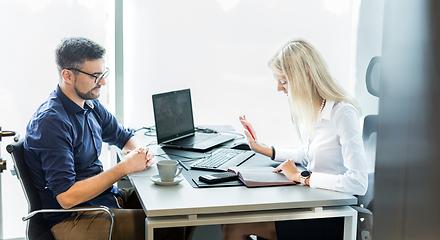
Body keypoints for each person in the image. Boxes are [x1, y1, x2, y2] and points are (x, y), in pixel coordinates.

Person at [24, 37, 193, 240]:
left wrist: (141, 152)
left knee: (180, 211)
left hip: (104, 201)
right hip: (72, 218)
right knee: (168, 225)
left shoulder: (89, 105)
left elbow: (124, 136)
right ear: (67, 76)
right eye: (95, 76)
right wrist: (125, 167)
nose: (103, 82)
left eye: (103, 74)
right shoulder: (51, 123)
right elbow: (67, 197)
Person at [221, 38, 368, 240]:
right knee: (229, 217)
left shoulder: (342, 113)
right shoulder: (315, 109)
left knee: (233, 227)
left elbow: (358, 182)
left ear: (306, 75)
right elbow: (306, 154)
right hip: (313, 204)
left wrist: (302, 177)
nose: (280, 89)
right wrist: (262, 149)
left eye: (283, 82)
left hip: (332, 217)